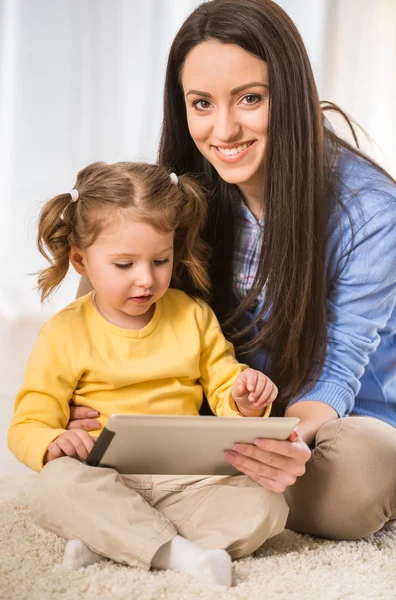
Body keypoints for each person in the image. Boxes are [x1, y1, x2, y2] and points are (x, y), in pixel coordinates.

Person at [74, 0, 396, 541]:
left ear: (289, 95)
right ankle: (203, 483)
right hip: (221, 407)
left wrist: (286, 441)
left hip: (325, 422)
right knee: (118, 247)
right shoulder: (185, 190)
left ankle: (191, 487)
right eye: (201, 103)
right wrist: (88, 402)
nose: (224, 129)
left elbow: (339, 371)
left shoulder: (371, 211)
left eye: (250, 99)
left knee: (359, 480)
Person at [8, 161, 287, 587]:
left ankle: (113, 541)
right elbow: (28, 423)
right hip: (104, 478)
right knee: (54, 488)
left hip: (186, 482)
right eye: (124, 265)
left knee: (269, 505)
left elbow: (223, 381)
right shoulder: (64, 332)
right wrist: (53, 443)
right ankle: (180, 554)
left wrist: (245, 399)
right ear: (81, 261)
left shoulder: (192, 315)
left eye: (160, 260)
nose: (146, 280)